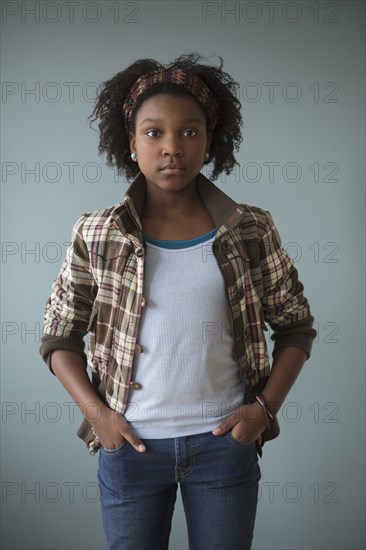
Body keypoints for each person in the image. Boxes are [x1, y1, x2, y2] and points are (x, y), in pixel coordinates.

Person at [39, 53, 317, 550]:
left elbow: (295, 326)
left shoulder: (250, 228)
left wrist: (262, 412)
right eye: (154, 133)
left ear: (209, 140)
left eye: (189, 132)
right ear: (131, 143)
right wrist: (99, 417)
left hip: (224, 449)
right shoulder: (98, 232)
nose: (172, 148)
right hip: (130, 449)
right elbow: (59, 335)